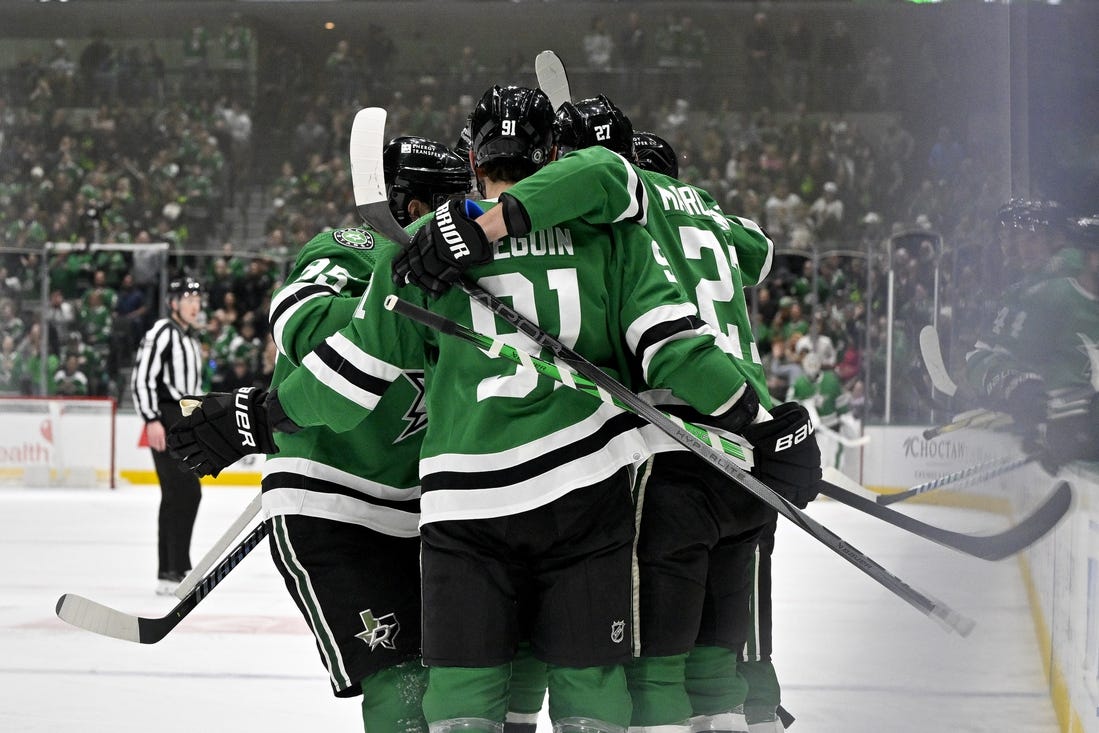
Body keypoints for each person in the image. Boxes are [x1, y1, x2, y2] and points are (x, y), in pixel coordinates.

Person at [170, 85, 802, 733]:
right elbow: (671, 347)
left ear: (472, 160)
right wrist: (761, 420)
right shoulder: (613, 239)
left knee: (463, 700)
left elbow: (347, 377)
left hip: (463, 508)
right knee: (594, 693)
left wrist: (261, 416)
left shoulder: (419, 244)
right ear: (555, 155)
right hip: (589, 490)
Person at [396, 94, 818, 733]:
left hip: (667, 444)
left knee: (651, 671)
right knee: (727, 662)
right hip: (742, 443)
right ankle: (753, 711)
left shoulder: (616, 206)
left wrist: (481, 225)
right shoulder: (707, 211)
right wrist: (758, 420)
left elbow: (600, 186)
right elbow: (759, 252)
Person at [130, 277, 204, 595]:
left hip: (183, 419)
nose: (195, 304)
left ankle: (174, 568)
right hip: (167, 416)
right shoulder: (162, 331)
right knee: (182, 490)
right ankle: (173, 569)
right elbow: (142, 376)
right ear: (173, 303)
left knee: (181, 492)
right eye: (188, 298)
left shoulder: (189, 338)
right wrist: (151, 418)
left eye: (198, 298)